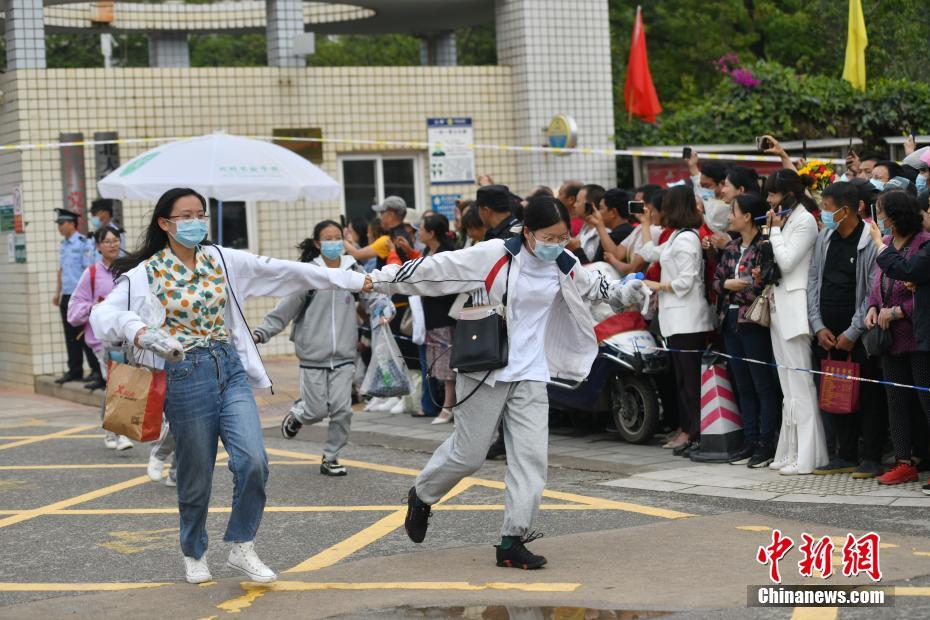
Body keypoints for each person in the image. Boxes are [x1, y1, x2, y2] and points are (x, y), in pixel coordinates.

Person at [90, 188, 370, 585]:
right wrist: (137, 330)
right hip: (185, 373)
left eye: (200, 214)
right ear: (165, 223)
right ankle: (193, 550)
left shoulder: (221, 259)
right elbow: (104, 315)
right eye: (186, 216)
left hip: (229, 367)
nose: (196, 223)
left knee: (254, 461)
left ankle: (242, 545)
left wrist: (353, 279)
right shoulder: (144, 273)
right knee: (196, 473)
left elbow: (286, 271)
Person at [369, 195, 637, 570]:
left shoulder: (563, 261)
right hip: (487, 369)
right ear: (527, 232)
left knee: (531, 459)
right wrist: (378, 280)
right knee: (469, 454)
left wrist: (625, 292)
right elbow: (435, 269)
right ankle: (422, 495)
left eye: (563, 237)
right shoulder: (494, 254)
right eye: (548, 237)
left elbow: (594, 286)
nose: (556, 244)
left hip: (531, 374)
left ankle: (513, 540)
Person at [253, 220, 392, 476]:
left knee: (342, 410)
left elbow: (373, 297)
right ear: (318, 244)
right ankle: (299, 414)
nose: (334, 243)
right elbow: (285, 310)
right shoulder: (308, 275)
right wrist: (260, 334)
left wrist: (384, 310)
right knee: (315, 410)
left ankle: (331, 457)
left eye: (338, 237)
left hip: (344, 356)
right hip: (312, 356)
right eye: (328, 239)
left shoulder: (353, 270)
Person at [807, 182, 883, 479]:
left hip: (859, 334)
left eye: (827, 209)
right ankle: (845, 454)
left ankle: (871, 457)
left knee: (868, 395)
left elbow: (873, 289)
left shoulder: (869, 239)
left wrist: (853, 331)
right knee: (835, 391)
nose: (823, 215)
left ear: (846, 210)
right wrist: (817, 325)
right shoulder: (824, 237)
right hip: (827, 331)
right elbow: (814, 280)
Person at [760, 169, 828, 475]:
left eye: (773, 194)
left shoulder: (804, 220)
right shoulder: (787, 219)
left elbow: (787, 262)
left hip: (796, 308)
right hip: (779, 306)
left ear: (788, 194)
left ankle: (809, 456)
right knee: (787, 385)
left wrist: (774, 231)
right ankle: (790, 451)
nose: (769, 200)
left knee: (801, 384)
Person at [638, 185, 714, 456]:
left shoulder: (686, 239)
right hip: (677, 320)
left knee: (690, 382)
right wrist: (645, 223)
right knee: (683, 381)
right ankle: (688, 429)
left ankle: (696, 432)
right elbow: (650, 253)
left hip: (688, 320)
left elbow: (686, 281)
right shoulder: (676, 236)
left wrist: (658, 286)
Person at [711, 193, 781, 468]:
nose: (730, 216)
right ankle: (750, 440)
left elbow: (761, 288)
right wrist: (727, 286)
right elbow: (717, 281)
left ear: (748, 216)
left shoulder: (764, 246)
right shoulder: (731, 247)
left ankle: (766, 442)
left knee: (762, 384)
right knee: (742, 384)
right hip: (729, 322)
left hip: (753, 322)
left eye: (734, 211)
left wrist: (730, 289)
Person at [865, 191, 930, 485]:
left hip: (918, 338)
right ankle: (903, 462)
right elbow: (877, 283)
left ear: (895, 215)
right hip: (890, 340)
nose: (878, 218)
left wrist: (898, 311)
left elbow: (921, 290)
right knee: (896, 401)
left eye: (881, 212)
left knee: (926, 401)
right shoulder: (889, 243)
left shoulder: (922, 244)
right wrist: (873, 307)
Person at [66, 226, 133, 449]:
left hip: (127, 337)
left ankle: (109, 428)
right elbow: (74, 307)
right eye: (107, 241)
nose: (112, 245)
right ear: (98, 246)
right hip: (101, 340)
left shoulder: (129, 269)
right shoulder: (91, 273)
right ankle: (120, 433)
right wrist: (94, 306)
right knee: (116, 382)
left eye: (115, 240)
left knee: (116, 383)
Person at [417, 214, 459, 425]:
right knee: (436, 362)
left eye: (421, 228)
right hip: (430, 314)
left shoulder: (446, 254)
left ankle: (448, 407)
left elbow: (449, 285)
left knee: (446, 363)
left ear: (431, 233)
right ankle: (446, 405)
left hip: (444, 314)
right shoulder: (428, 251)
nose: (419, 232)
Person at [53, 208, 101, 386]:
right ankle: (75, 369)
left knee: (84, 333)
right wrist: (57, 292)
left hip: (80, 297)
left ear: (72, 224)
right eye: (58, 224)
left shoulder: (83, 243)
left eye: (62, 223)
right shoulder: (64, 245)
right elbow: (62, 270)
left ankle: (96, 370)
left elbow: (88, 270)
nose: (60, 227)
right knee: (70, 335)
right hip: (66, 295)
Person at [607, 187, 663, 276]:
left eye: (637, 203)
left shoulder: (656, 230)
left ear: (649, 206)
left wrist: (612, 260)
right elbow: (617, 254)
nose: (633, 206)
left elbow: (633, 269)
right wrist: (599, 225)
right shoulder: (640, 227)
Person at [581, 188, 635, 264]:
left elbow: (596, 267)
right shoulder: (630, 231)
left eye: (601, 208)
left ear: (613, 212)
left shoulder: (615, 236)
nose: (598, 212)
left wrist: (577, 249)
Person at [687, 151, 730, 233]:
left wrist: (700, 210)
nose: (703, 190)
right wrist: (692, 165)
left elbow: (712, 226)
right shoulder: (705, 189)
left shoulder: (726, 206)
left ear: (722, 183)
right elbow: (697, 178)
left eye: (706, 186)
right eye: (701, 185)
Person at [568, 184, 606, 263]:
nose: (574, 205)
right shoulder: (586, 226)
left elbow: (595, 267)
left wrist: (576, 248)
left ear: (590, 206)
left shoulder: (603, 234)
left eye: (578, 201)